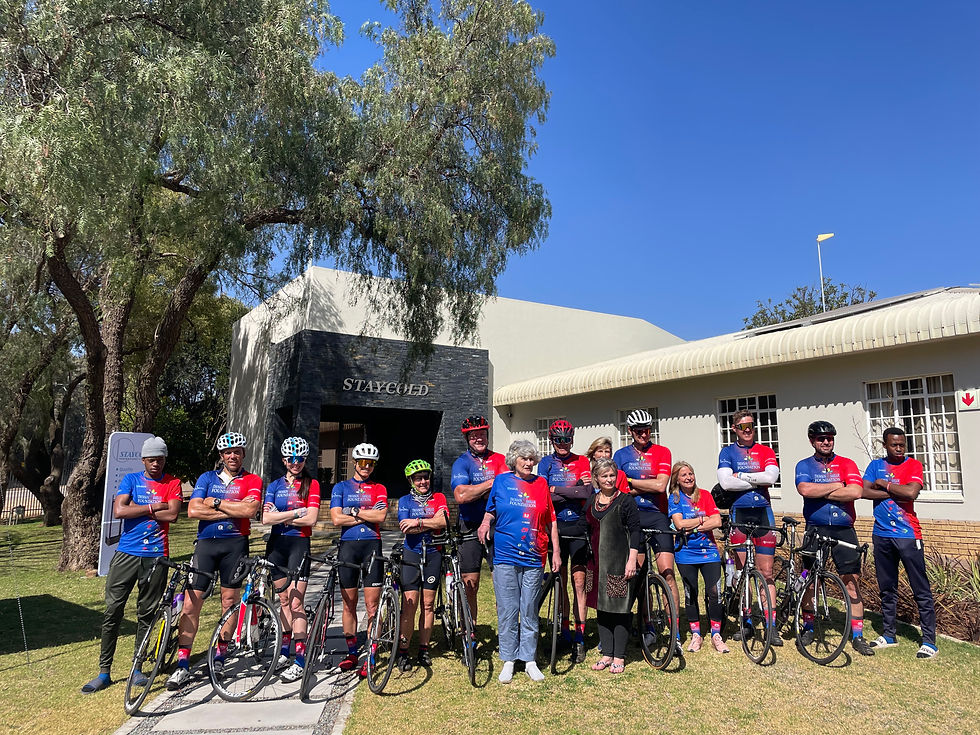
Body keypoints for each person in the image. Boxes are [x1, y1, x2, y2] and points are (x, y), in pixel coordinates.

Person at [82, 436, 182, 693]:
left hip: (156, 555)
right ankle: (104, 672)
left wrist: (138, 507)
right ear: (143, 460)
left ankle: (137, 668)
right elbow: (119, 511)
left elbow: (172, 514)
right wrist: (152, 506)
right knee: (113, 610)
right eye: (151, 459)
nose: (156, 464)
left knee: (147, 613)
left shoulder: (173, 483)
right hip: (126, 552)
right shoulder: (132, 480)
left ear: (164, 459)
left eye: (160, 459)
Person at [168, 432, 263, 689]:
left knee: (229, 601)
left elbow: (250, 511)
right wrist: (233, 508)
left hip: (235, 545)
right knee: (191, 603)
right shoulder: (207, 478)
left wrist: (218, 503)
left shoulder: (252, 479)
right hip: (206, 546)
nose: (233, 456)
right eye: (228, 452)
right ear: (221, 455)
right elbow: (193, 510)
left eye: (237, 451)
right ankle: (182, 664)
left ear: (243, 454)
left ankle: (220, 656)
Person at [477, 440, 560, 683]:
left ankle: (529, 659)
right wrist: (484, 523)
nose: (528, 463)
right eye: (524, 458)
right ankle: (509, 659)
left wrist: (556, 552)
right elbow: (490, 509)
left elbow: (551, 520)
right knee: (508, 609)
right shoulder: (502, 481)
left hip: (535, 555)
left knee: (529, 609)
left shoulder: (542, 483)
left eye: (532, 459)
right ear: (514, 460)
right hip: (505, 555)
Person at [794, 420, 874, 656]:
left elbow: (856, 492)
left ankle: (857, 636)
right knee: (811, 580)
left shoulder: (846, 463)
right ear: (812, 441)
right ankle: (808, 627)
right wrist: (838, 485)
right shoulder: (804, 464)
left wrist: (824, 490)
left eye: (830, 437)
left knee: (851, 581)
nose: (826, 441)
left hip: (843, 528)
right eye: (821, 438)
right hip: (815, 528)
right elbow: (805, 490)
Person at [862, 427, 937, 658]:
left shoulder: (913, 465)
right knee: (887, 588)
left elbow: (911, 493)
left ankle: (929, 642)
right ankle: (889, 634)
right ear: (885, 445)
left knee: (920, 589)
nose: (899, 448)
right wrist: (896, 490)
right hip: (881, 534)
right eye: (894, 444)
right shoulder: (875, 466)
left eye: (902, 444)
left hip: (907, 534)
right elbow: (863, 491)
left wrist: (883, 484)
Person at [715, 409, 781, 645]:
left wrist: (742, 475)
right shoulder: (727, 451)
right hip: (739, 515)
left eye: (751, 425)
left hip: (763, 513)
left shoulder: (765, 450)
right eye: (743, 427)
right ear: (734, 429)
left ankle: (771, 625)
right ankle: (747, 623)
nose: (748, 430)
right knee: (743, 573)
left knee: (766, 573)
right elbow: (725, 482)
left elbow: (771, 478)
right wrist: (756, 477)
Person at [261, 436, 321, 682]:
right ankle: (285, 649)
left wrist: (282, 516)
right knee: (283, 600)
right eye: (291, 459)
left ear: (305, 460)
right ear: (285, 460)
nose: (296, 463)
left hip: (299, 544)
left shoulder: (312, 484)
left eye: (301, 459)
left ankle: (300, 656)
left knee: (296, 602)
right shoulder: (274, 485)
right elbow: (265, 519)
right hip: (277, 545)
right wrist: (296, 512)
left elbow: (311, 520)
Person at [612, 410, 678, 624]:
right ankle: (646, 623)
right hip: (632, 516)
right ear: (630, 431)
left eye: (648, 430)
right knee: (639, 576)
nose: (644, 434)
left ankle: (674, 627)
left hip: (657, 515)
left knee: (667, 572)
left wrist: (631, 482)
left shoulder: (662, 451)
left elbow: (660, 485)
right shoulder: (620, 455)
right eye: (639, 430)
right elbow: (618, 489)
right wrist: (642, 486)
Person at [330, 442, 388, 676]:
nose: (366, 467)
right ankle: (352, 652)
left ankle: (372, 653)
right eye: (363, 463)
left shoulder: (379, 487)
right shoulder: (341, 487)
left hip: (372, 546)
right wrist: (365, 515)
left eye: (371, 463)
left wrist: (352, 512)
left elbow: (381, 515)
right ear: (354, 462)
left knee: (373, 606)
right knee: (349, 603)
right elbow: (336, 519)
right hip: (348, 548)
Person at [536, 419, 592, 663]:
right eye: (558, 440)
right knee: (559, 579)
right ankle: (565, 629)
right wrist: (573, 489)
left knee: (579, 582)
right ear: (551, 441)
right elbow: (542, 495)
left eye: (567, 439)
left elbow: (587, 493)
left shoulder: (582, 461)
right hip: (554, 527)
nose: (563, 444)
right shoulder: (545, 463)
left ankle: (580, 635)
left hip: (578, 526)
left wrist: (557, 491)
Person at [584, 458, 642, 673]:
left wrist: (631, 560)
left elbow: (635, 530)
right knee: (602, 609)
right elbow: (584, 528)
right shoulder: (591, 501)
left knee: (619, 609)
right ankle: (607, 653)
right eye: (604, 476)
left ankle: (619, 656)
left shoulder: (626, 501)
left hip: (619, 563)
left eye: (611, 475)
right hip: (597, 565)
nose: (608, 479)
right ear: (596, 478)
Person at [450, 416, 508, 624]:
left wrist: (476, 490)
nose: (479, 439)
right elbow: (461, 496)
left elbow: (506, 490)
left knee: (502, 583)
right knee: (470, 584)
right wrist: (491, 483)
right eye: (474, 436)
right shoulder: (462, 463)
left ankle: (506, 632)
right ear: (468, 438)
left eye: (482, 434)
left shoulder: (500, 459)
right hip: (469, 526)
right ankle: (470, 630)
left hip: (498, 526)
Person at [667, 461, 728, 653]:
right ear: (676, 479)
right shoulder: (674, 499)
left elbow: (717, 521)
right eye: (684, 475)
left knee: (714, 592)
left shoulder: (706, 495)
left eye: (691, 473)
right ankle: (696, 634)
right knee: (690, 593)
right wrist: (703, 520)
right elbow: (678, 525)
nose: (688, 477)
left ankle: (716, 634)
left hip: (709, 550)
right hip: (686, 552)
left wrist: (691, 525)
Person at [396, 460, 449, 670]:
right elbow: (404, 528)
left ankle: (424, 649)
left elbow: (444, 521)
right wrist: (431, 522)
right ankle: (403, 651)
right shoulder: (404, 501)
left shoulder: (439, 498)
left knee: (428, 605)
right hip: (411, 555)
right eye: (418, 478)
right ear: (411, 481)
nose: (423, 481)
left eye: (426, 477)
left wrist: (418, 522)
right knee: (409, 606)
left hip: (433, 555)